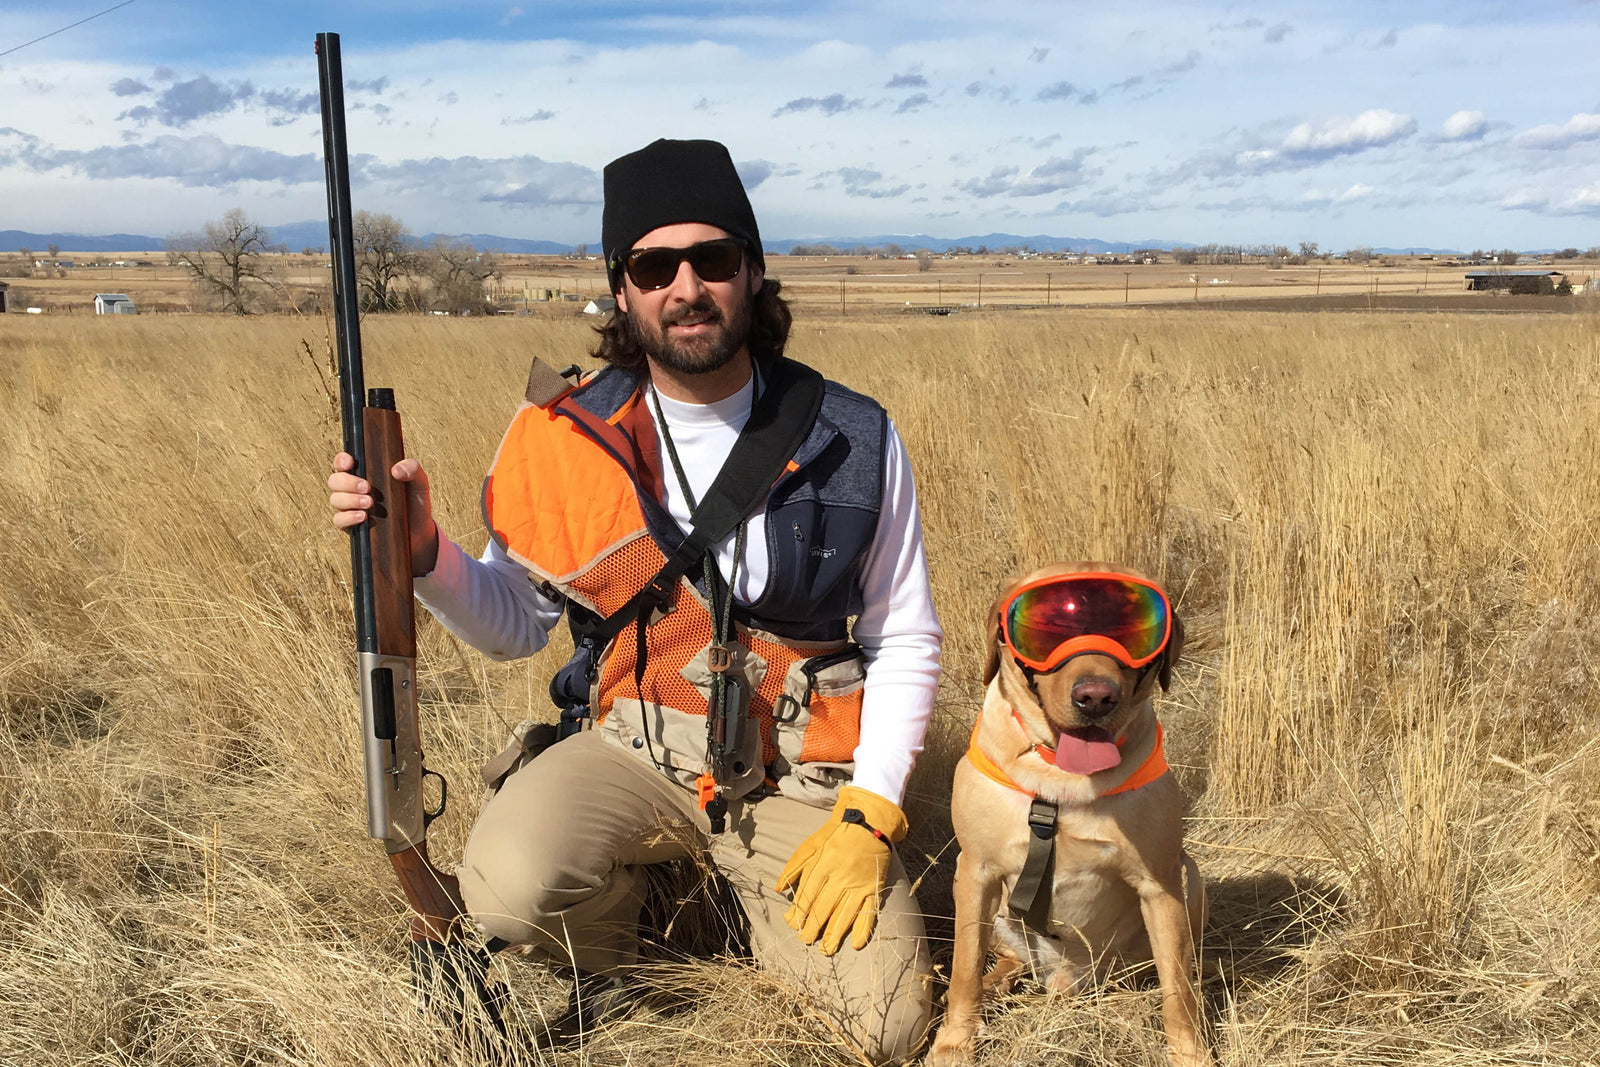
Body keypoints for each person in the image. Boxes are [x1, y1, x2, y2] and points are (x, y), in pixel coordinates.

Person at [327, 138, 942, 1063]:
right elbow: (515, 622)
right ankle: (640, 935)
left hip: (796, 769)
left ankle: (735, 901)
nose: (686, 286)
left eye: (715, 258)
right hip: (633, 747)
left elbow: (908, 639)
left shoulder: (854, 434)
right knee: (506, 887)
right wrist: (424, 556)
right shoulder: (563, 436)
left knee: (887, 1024)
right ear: (622, 289)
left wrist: (870, 813)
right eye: (655, 265)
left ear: (755, 272)